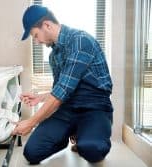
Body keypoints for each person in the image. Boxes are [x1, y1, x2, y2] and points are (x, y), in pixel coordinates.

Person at [12, 5, 113, 165]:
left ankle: (85, 134)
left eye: (36, 36)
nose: (37, 42)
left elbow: (62, 92)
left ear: (47, 25)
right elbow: (62, 89)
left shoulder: (80, 41)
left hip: (94, 107)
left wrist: (31, 122)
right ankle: (70, 131)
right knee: (32, 152)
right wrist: (40, 97)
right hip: (68, 108)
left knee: (91, 149)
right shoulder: (54, 56)